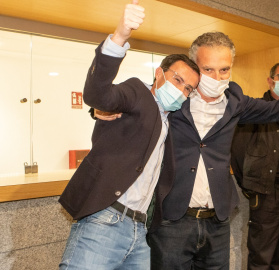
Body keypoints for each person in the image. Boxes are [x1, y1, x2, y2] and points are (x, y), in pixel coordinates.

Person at [145, 31, 279, 268]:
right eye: (208, 69)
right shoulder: (175, 99)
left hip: (217, 221)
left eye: (224, 69)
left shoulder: (235, 102)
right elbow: (140, 100)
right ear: (195, 67)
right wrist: (103, 110)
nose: (217, 77)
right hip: (173, 219)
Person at [58, 1, 200, 269]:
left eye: (188, 89)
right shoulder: (136, 92)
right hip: (106, 220)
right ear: (159, 74)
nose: (181, 90)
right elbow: (98, 95)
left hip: (139, 231)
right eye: (177, 80)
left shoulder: (171, 118)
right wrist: (119, 37)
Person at [230, 62, 279, 269]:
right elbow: (236, 151)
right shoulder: (257, 109)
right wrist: (249, 185)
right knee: (262, 252)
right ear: (270, 80)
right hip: (266, 192)